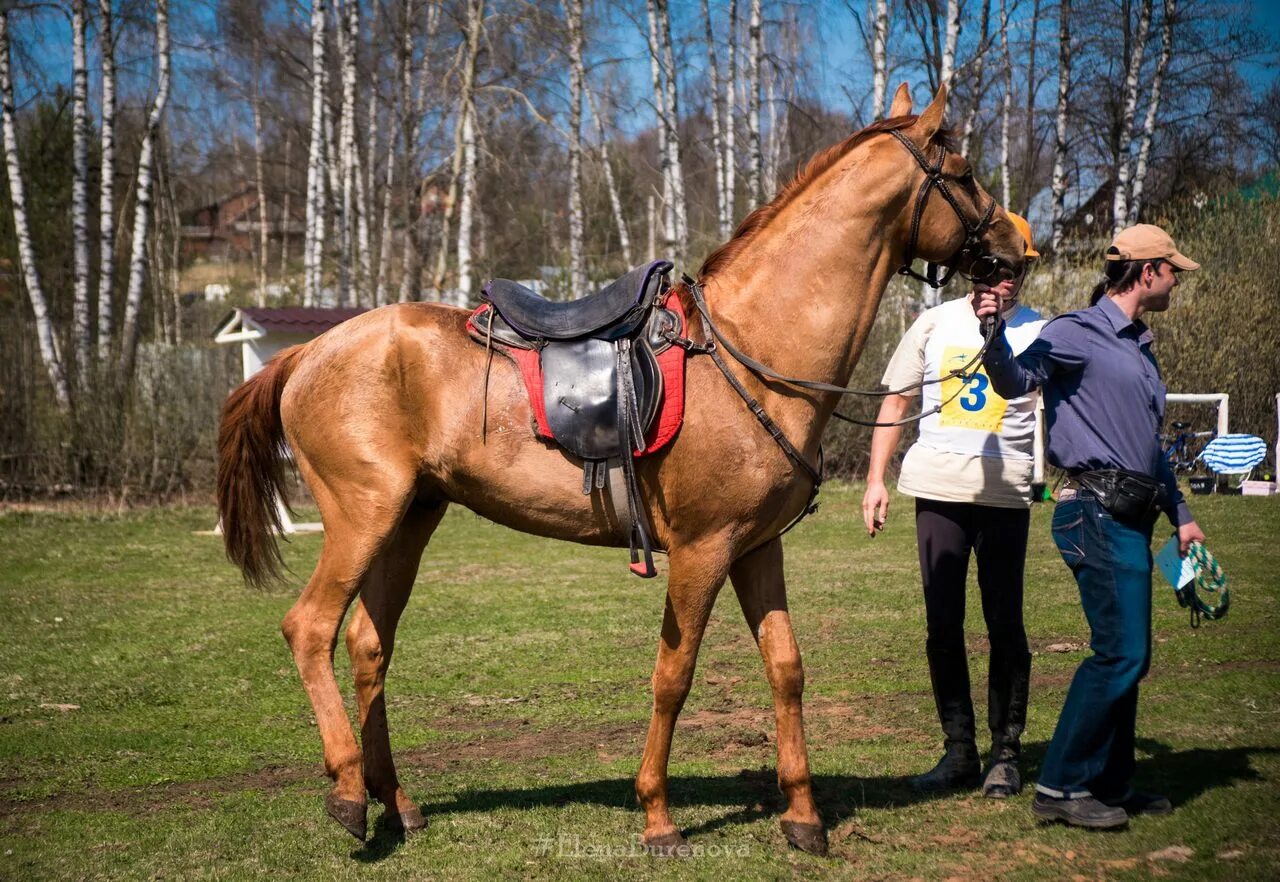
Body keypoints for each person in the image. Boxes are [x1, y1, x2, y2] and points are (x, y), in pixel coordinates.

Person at [972, 223, 1207, 829]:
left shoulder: (1138, 346)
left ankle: (1110, 781)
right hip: (1093, 512)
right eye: (1172, 268)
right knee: (1120, 652)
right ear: (1145, 271)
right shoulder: (1075, 332)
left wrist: (1182, 515)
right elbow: (1015, 381)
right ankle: (1061, 786)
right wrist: (992, 331)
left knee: (1133, 654)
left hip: (1134, 515)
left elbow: (1150, 447)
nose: (1177, 278)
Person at [862, 213, 1044, 798]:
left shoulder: (1043, 331)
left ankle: (1005, 754)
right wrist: (875, 479)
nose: (1006, 278)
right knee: (943, 626)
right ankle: (959, 751)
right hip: (938, 490)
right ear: (973, 267)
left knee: (1005, 626)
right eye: (997, 265)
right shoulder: (933, 322)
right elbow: (896, 398)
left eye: (1017, 267)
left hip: (1005, 494)